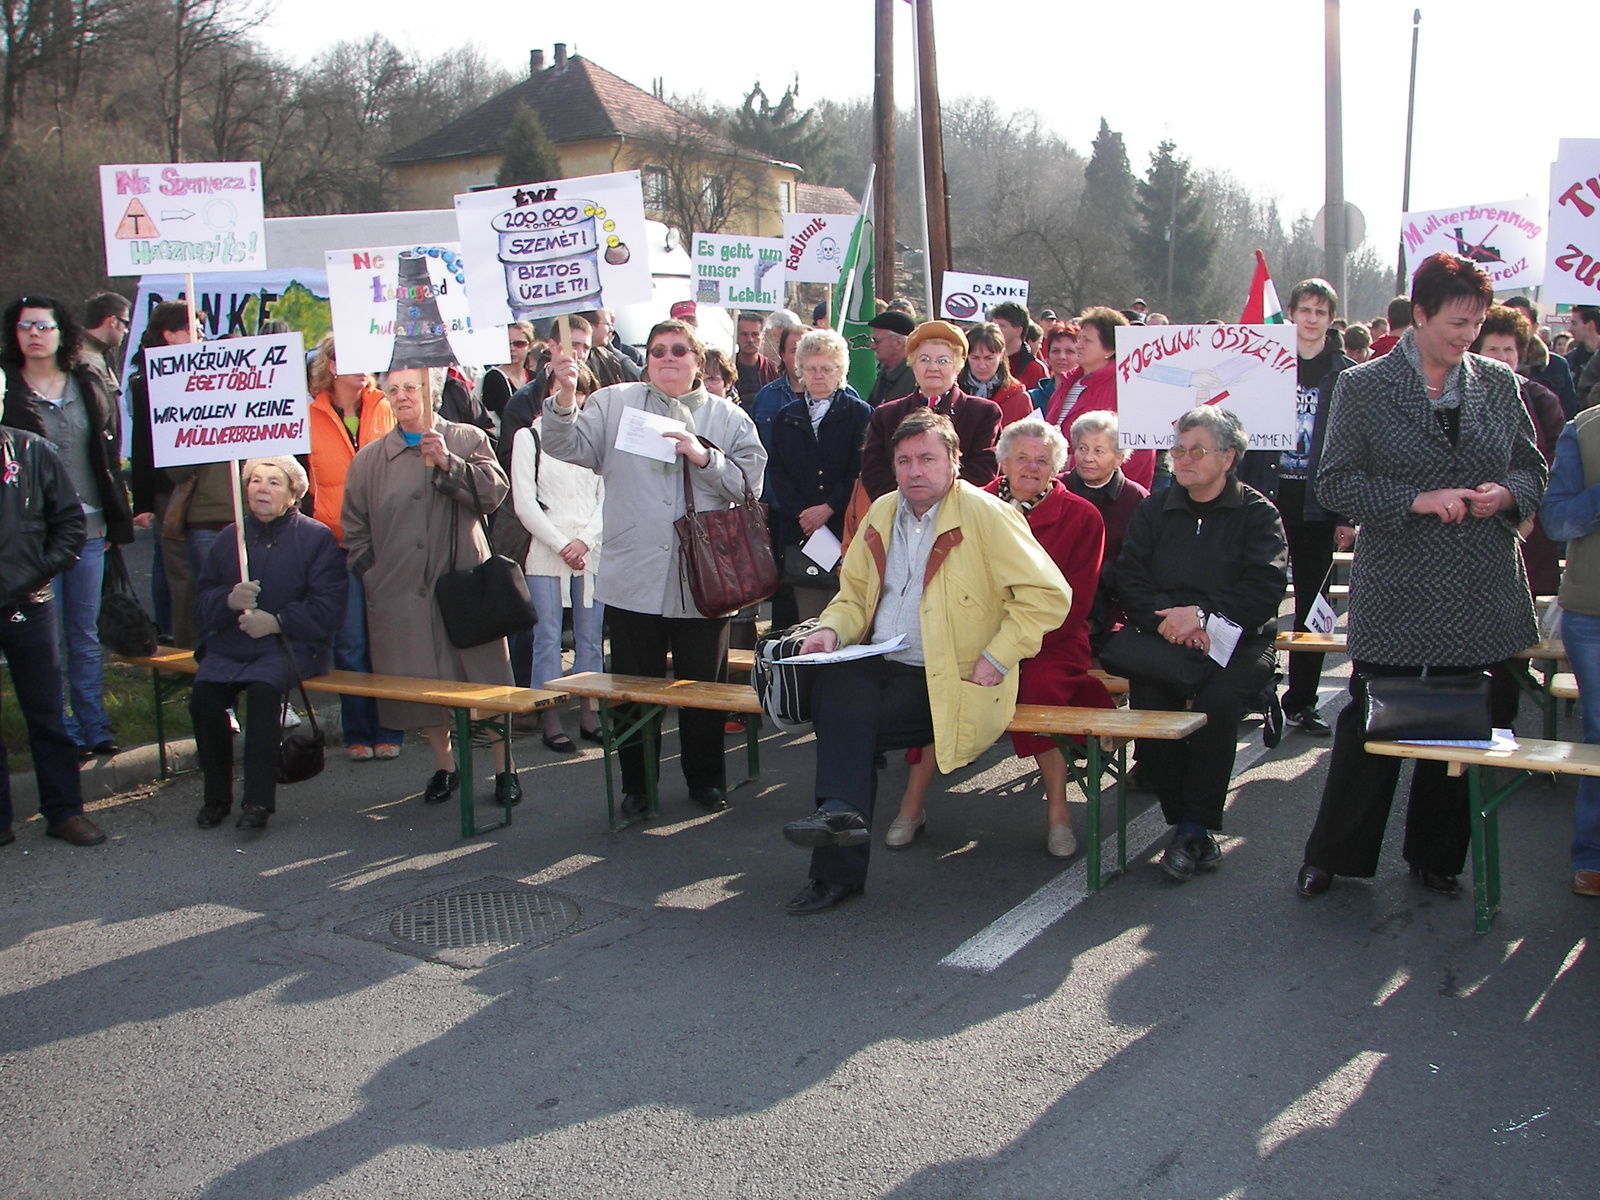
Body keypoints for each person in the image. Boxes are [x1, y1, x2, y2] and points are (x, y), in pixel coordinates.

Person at [1297, 253, 1547, 900]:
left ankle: (1437, 857)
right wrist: (1417, 500)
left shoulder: (1497, 383)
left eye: (1477, 322)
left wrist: (1504, 495)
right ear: (1420, 314)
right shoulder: (1365, 386)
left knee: (1466, 723)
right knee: (1369, 720)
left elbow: (1532, 470)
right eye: (1457, 322)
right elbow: (1336, 482)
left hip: (1480, 587)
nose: (1468, 335)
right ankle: (1335, 854)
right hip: (1399, 586)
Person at [778, 410, 1072, 913]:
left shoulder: (988, 514)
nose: (916, 470)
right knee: (834, 688)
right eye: (905, 460)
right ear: (892, 466)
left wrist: (998, 657)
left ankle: (836, 862)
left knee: (846, 724)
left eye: (929, 459)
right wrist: (830, 630)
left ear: (955, 462)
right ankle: (839, 819)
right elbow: (852, 597)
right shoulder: (883, 511)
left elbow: (1048, 596)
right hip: (880, 661)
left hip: (947, 676)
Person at [543, 318, 767, 817]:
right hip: (632, 580)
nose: (668, 358)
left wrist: (705, 458)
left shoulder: (729, 419)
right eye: (659, 350)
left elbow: (752, 485)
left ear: (698, 360)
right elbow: (564, 445)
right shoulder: (612, 403)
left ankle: (705, 780)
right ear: (647, 359)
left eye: (680, 350)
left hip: (704, 582)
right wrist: (564, 394)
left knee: (700, 693)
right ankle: (637, 785)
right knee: (631, 694)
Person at [885, 417, 1109, 859]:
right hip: (972, 633)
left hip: (1051, 641)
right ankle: (911, 806)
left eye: (1042, 460)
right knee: (941, 683)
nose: (1031, 467)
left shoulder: (1083, 516)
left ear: (1057, 467)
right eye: (1021, 457)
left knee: (1039, 688)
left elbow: (1074, 601)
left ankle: (1058, 813)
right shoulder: (968, 504)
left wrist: (1010, 647)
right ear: (1002, 460)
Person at [1114, 407, 1288, 882]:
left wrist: (1206, 617)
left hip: (1239, 639)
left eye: (1196, 451)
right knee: (1153, 704)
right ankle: (1187, 824)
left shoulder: (1258, 513)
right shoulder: (1155, 508)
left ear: (1229, 457)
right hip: (1165, 635)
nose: (1182, 460)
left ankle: (1193, 828)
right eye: (1177, 450)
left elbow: (1265, 586)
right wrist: (1170, 623)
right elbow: (1130, 578)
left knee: (1216, 705)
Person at [341, 366, 521, 808]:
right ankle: (445, 766)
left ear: (434, 392)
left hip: (465, 587)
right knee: (423, 685)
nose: (403, 396)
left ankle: (505, 769)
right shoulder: (368, 460)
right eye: (394, 389)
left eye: (413, 388)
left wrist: (448, 464)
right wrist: (375, 574)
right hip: (400, 595)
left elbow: (495, 493)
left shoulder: (465, 438)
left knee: (485, 682)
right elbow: (354, 529)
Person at [1, 295, 135, 760]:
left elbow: (105, 451)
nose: (34, 334)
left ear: (63, 333)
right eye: (25, 327)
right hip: (33, 537)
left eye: (44, 325)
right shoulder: (8, 391)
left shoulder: (85, 381)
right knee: (46, 639)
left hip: (91, 528)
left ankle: (93, 724)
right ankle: (59, 731)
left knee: (83, 632)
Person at [190, 458, 347, 832]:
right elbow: (200, 602)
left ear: (294, 493)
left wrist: (277, 622)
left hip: (291, 647)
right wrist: (228, 601)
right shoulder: (231, 537)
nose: (262, 489)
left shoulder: (316, 538)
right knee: (205, 698)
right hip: (231, 645)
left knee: (263, 695)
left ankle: (258, 801)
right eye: (255, 481)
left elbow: (329, 609)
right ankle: (216, 797)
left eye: (274, 482)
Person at [1242, 279, 1356, 737]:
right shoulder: (1268, 364)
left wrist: (1347, 514)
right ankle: (1255, 685)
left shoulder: (1345, 373)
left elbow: (1353, 444)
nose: (1311, 319)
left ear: (1331, 320)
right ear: (1290, 314)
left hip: (1318, 503)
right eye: (1304, 310)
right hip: (1268, 495)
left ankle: (1303, 700)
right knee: (1256, 595)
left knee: (1314, 604)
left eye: (1320, 312)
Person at [0, 423, 106, 847]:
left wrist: (31, 576)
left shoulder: (33, 451)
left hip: (30, 600)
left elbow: (70, 526)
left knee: (46, 713)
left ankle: (64, 811)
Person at [304, 335, 402, 761]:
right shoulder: (308, 415)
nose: (364, 366)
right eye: (352, 356)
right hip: (337, 544)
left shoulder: (386, 405)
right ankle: (358, 731)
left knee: (388, 640)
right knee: (351, 642)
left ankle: (391, 729)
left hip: (386, 542)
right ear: (329, 364)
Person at [511, 365, 605, 753]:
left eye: (577, 389)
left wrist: (585, 540)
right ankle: (549, 713)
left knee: (591, 639)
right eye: (560, 389)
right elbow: (523, 501)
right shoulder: (528, 437)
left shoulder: (596, 438)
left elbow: (608, 495)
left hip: (592, 552)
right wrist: (560, 544)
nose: (569, 396)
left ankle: (590, 711)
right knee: (547, 638)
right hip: (545, 553)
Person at [767, 329, 872, 622]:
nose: (818, 375)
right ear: (800, 371)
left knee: (847, 616)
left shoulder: (860, 414)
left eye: (827, 368)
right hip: (800, 531)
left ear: (840, 371)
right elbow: (777, 472)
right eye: (811, 368)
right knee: (808, 620)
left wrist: (828, 508)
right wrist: (805, 514)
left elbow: (860, 470)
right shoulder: (786, 418)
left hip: (845, 527)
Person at [1539, 405, 1600, 897]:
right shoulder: (1585, 429)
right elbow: (1556, 521)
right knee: (1599, 734)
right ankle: (1593, 855)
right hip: (1593, 612)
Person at [1472, 305, 1565, 597]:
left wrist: (1526, 504)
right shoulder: (1453, 398)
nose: (1501, 358)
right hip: (1473, 528)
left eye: (1508, 350)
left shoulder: (1540, 399)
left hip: (1531, 535)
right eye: (1493, 349)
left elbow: (1555, 461)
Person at [858, 321, 1002, 500]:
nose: (933, 367)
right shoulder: (886, 415)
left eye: (943, 360)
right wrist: (909, 505)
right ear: (912, 364)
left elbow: (983, 471)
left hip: (960, 516)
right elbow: (874, 471)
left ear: (957, 366)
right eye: (924, 359)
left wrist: (937, 506)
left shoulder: (983, 413)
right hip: (899, 515)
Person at [125, 301, 195, 644]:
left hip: (193, 484)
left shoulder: (196, 371)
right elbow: (142, 445)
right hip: (167, 485)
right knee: (173, 565)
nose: (201, 335)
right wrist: (143, 501)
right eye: (191, 328)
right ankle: (172, 635)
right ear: (169, 335)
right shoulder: (146, 381)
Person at [1044, 307, 1157, 489]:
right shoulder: (1068, 381)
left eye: (1087, 340)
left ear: (1110, 349)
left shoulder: (1126, 387)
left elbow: (1138, 452)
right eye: (1079, 338)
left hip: (1101, 494)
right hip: (1059, 486)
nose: (1078, 345)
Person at [1065, 410, 1149, 653]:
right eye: (1082, 448)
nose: (1088, 458)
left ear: (1119, 457)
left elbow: (1138, 564)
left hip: (1111, 608)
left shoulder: (1137, 499)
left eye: (1099, 451)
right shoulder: (1056, 487)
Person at [1505, 297, 1579, 417]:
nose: (1515, 328)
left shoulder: (1556, 365)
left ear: (1535, 327)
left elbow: (1569, 413)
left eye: (1523, 322)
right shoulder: (1486, 362)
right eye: (1508, 321)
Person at [957, 322, 1033, 425]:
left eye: (989, 358)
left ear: (1001, 356)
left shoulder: (1018, 397)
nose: (982, 366)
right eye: (975, 358)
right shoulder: (953, 392)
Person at [78, 291, 130, 418]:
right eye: (125, 323)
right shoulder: (84, 361)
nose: (126, 330)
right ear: (112, 321)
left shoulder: (100, 354)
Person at [477, 321, 534, 416]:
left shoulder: (534, 376)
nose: (512, 348)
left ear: (530, 346)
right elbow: (507, 415)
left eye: (519, 343)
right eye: (507, 343)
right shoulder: (494, 377)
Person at [988, 301, 1047, 390]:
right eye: (993, 324)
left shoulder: (1035, 369)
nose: (995, 329)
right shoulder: (981, 361)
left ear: (1018, 331)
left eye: (1001, 325)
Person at [864, 310, 916, 408]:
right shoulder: (885, 373)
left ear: (898, 343)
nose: (872, 346)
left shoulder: (916, 377)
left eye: (876, 341)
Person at [1029, 323, 1080, 416]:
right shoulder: (1033, 398)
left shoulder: (1087, 395)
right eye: (1056, 351)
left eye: (1070, 351)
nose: (1062, 357)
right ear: (1048, 357)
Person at [734, 311, 780, 400]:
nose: (750, 340)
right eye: (744, 334)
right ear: (736, 336)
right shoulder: (727, 368)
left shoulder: (774, 370)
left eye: (755, 334)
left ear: (763, 337)